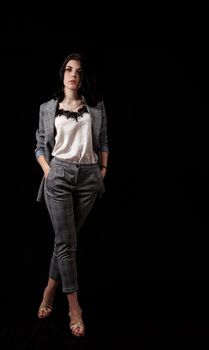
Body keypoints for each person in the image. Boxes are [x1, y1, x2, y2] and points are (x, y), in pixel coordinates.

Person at [34, 52, 109, 337]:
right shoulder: (47, 108)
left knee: (66, 241)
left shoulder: (97, 108)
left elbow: (103, 141)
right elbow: (40, 145)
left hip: (89, 177)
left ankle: (49, 291)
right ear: (62, 74)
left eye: (78, 70)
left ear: (82, 76)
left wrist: (102, 169)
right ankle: (74, 308)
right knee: (67, 243)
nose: (73, 74)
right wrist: (47, 170)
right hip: (59, 175)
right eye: (68, 69)